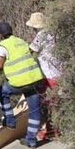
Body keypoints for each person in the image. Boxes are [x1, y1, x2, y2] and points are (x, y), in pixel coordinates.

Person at [0, 21, 46, 148]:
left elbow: (0, 65)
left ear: (0, 35)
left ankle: (10, 121)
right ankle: (31, 140)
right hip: (35, 79)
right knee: (34, 111)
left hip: (20, 82)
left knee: (1, 92)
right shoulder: (20, 41)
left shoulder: (3, 45)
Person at [27, 12, 60, 140]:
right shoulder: (53, 33)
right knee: (55, 102)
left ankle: (52, 131)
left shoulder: (41, 34)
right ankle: (53, 130)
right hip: (58, 71)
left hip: (49, 74)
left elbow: (31, 50)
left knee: (49, 103)